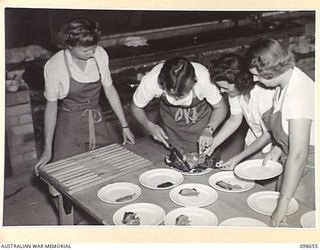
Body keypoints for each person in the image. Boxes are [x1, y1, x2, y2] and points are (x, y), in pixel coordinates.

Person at [35, 18, 135, 175]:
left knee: (105, 171)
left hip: (96, 121)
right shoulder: (55, 66)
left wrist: (125, 126)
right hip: (69, 125)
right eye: (85, 51)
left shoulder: (100, 55)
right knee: (64, 176)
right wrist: (47, 148)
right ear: (70, 46)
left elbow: (109, 89)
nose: (91, 53)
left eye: (93, 48)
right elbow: (51, 106)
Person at [234, 38, 314, 227]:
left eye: (257, 75)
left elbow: (299, 154)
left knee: (293, 217)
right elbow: (285, 126)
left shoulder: (300, 93)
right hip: (291, 158)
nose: (254, 79)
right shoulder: (283, 85)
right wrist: (278, 147)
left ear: (270, 70)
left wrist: (284, 202)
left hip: (310, 165)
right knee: (276, 209)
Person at [131, 57, 227, 153]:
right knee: (177, 159)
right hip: (172, 126)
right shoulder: (151, 81)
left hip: (203, 122)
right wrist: (149, 125)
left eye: (182, 94)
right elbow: (136, 107)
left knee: (209, 160)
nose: (177, 99)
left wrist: (209, 129)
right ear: (162, 84)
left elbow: (221, 107)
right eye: (172, 94)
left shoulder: (204, 78)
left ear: (194, 82)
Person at [204, 54, 275, 169]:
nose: (222, 91)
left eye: (226, 88)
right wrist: (213, 145)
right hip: (253, 139)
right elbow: (234, 119)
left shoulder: (264, 94)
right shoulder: (236, 93)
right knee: (249, 176)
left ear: (241, 82)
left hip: (273, 145)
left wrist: (238, 158)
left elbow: (268, 134)